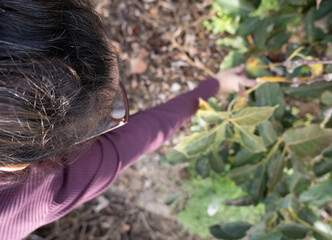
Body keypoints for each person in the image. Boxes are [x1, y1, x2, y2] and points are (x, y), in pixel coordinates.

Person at [0, 0, 255, 239]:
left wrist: (212, 87)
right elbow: (135, 138)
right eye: (108, 111)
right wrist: (211, 87)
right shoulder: (30, 202)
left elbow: (128, 143)